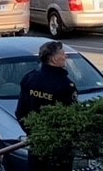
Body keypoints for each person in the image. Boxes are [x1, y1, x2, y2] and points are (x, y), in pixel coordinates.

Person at [15, 41, 78, 171]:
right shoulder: (65, 86)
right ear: (55, 59)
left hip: (36, 145)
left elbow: (21, 113)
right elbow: (71, 120)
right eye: (62, 53)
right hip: (59, 150)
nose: (65, 56)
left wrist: (34, 134)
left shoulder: (30, 79)